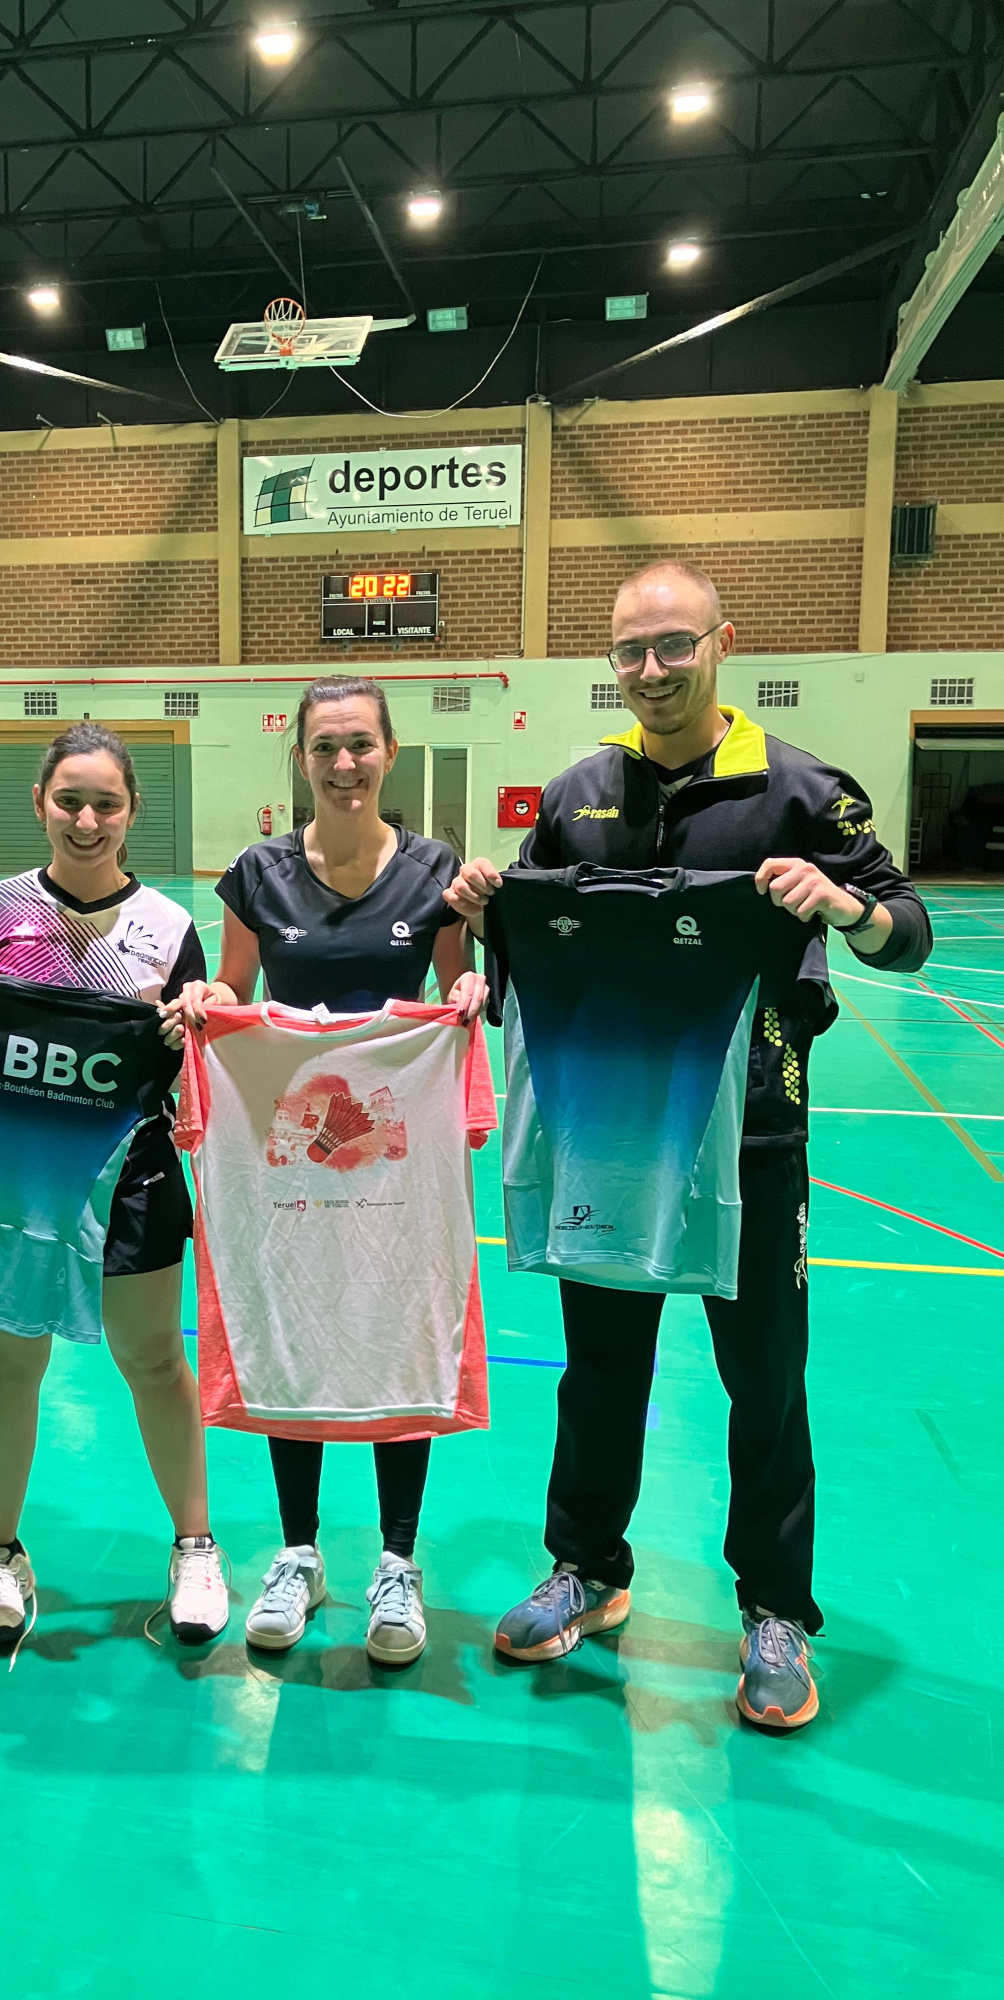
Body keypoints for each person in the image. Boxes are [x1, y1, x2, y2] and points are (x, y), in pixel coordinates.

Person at [447, 560, 932, 1729]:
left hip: (754, 1135)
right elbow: (531, 946)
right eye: (631, 649)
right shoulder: (578, 792)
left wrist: (848, 905)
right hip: (610, 1130)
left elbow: (907, 931)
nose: (653, 668)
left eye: (674, 644)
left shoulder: (803, 790)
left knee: (763, 1377)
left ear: (723, 643)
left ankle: (775, 1608)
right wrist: (481, 908)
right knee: (600, 1366)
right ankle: (586, 1566)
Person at [0, 723, 229, 1655]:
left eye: (105, 803)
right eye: (69, 800)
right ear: (39, 803)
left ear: (131, 811)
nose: (86, 820)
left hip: (131, 1172)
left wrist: (194, 1019)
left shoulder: (169, 928)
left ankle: (196, 1547)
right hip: (12, 1181)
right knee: (10, 1367)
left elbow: (192, 1065)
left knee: (153, 1360)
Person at [168, 675, 489, 1666]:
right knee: (292, 1315)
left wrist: (470, 988)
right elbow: (236, 986)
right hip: (290, 1153)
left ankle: (397, 1562)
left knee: (397, 1323)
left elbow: (451, 987)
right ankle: (299, 1553)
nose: (344, 763)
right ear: (301, 758)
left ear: (388, 752)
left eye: (360, 744)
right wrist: (207, 1001)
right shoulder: (258, 873)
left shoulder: (434, 871)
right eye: (325, 747)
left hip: (395, 1153)